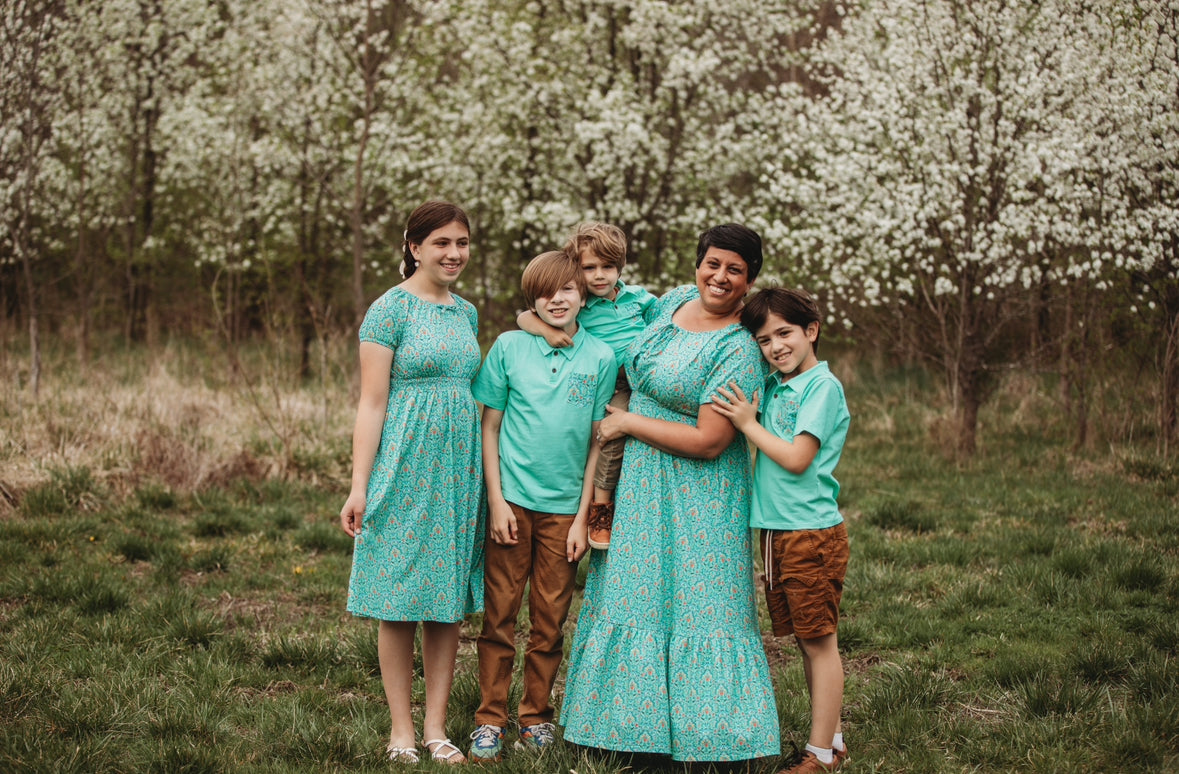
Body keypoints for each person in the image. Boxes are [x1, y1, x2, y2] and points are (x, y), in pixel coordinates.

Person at [560, 224, 781, 763]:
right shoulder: (673, 303)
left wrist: (628, 424)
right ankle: (623, 731)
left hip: (701, 496)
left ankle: (713, 738)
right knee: (633, 595)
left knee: (702, 603)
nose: (720, 277)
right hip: (639, 483)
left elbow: (710, 441)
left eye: (734, 269)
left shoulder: (739, 347)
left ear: (748, 279)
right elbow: (584, 304)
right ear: (697, 264)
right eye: (712, 263)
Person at [339, 201, 483, 765]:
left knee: (445, 601)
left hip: (457, 468)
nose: (453, 253)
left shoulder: (466, 313)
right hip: (403, 464)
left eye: (462, 243)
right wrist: (359, 484)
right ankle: (400, 730)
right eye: (441, 242)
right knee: (398, 599)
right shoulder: (388, 311)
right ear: (413, 246)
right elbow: (371, 405)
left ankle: (436, 728)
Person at [469, 250, 617, 761]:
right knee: (500, 616)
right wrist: (495, 500)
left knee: (550, 619)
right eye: (545, 292)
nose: (557, 299)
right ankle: (490, 718)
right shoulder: (509, 347)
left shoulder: (600, 357)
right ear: (531, 298)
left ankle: (535, 717)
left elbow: (598, 443)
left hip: (563, 514)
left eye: (568, 290)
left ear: (583, 294)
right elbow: (489, 427)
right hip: (511, 503)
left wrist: (582, 518)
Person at [711, 287, 851, 773]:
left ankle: (819, 756)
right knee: (803, 640)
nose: (775, 347)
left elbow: (796, 458)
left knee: (820, 641)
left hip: (809, 534)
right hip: (776, 532)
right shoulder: (776, 384)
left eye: (785, 333)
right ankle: (829, 739)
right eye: (764, 339)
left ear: (811, 331)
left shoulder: (821, 388)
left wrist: (748, 424)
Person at [516, 222, 657, 550]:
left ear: (620, 267)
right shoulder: (580, 302)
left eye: (607, 267)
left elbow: (665, 320)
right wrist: (548, 332)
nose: (598, 276)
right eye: (588, 267)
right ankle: (601, 507)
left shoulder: (638, 298)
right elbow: (525, 317)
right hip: (613, 382)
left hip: (645, 378)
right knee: (610, 434)